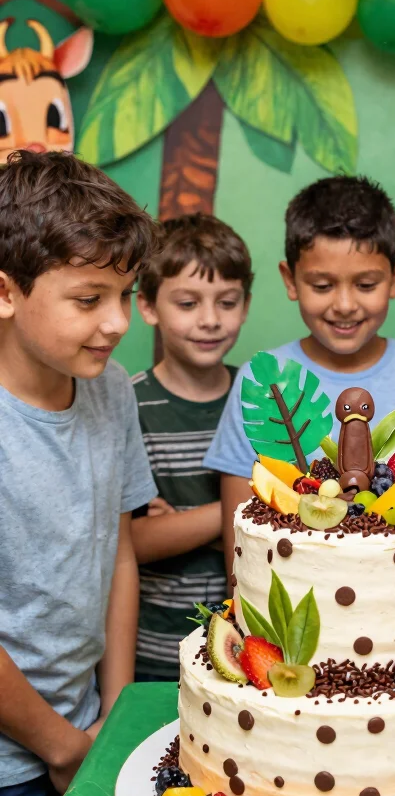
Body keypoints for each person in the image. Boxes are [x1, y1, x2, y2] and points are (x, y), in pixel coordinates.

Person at [0, 151, 157, 796]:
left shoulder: (111, 393)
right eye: (89, 298)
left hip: (88, 734)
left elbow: (117, 551)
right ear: (5, 291)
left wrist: (114, 716)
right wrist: (61, 749)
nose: (118, 323)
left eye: (125, 295)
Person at [203, 176, 395, 583]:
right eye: (322, 285)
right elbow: (241, 539)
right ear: (289, 279)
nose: (345, 305)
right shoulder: (262, 380)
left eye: (366, 285)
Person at [131, 214, 253, 681]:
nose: (209, 320)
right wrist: (246, 506)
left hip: (250, 645)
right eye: (187, 302)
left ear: (245, 305)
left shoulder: (262, 399)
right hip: (155, 651)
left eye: (227, 302)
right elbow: (133, 543)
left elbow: (291, 521)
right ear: (148, 306)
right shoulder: (132, 405)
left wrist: (179, 525)